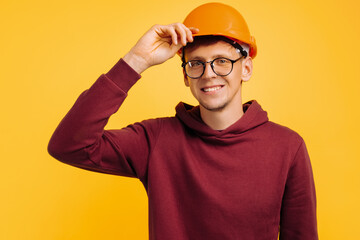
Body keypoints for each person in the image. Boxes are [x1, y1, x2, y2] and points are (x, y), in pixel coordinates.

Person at [48, 3, 318, 240]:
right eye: (196, 64)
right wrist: (137, 60)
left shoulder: (287, 147)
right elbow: (69, 145)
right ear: (186, 77)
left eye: (222, 61)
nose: (209, 74)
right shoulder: (155, 140)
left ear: (245, 69)